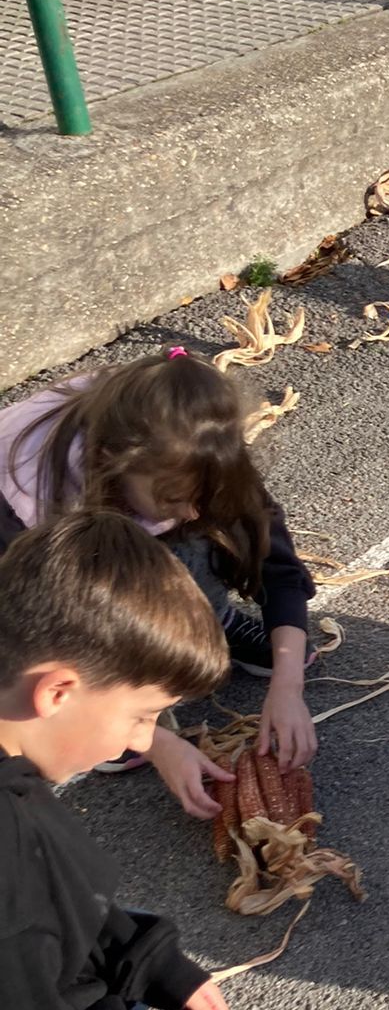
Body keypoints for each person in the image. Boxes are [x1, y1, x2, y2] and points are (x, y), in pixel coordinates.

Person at [0, 512, 285, 1010]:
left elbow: (67, 910)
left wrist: (150, 962)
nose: (137, 744)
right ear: (57, 690)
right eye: (140, 717)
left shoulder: (18, 774)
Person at [0, 349, 316, 816]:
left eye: (201, 498)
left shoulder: (194, 445)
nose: (190, 512)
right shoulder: (25, 510)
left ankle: (214, 619)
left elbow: (277, 563)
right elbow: (32, 643)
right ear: (112, 463)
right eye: (173, 498)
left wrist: (287, 687)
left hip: (113, 500)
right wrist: (154, 740)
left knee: (202, 535)